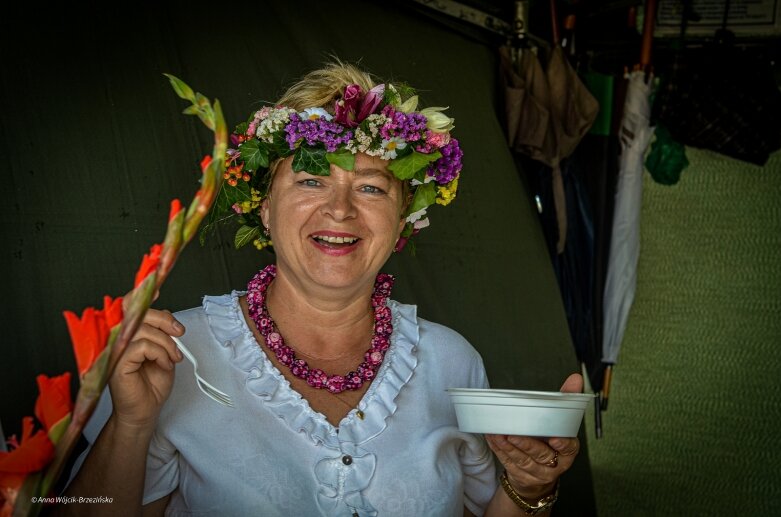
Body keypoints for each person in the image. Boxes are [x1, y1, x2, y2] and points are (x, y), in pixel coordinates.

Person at [63, 61, 582, 516]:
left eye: (372, 187)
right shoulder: (173, 360)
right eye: (311, 180)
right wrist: (130, 426)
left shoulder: (451, 362)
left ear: (403, 219)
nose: (340, 209)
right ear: (265, 209)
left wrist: (528, 488)